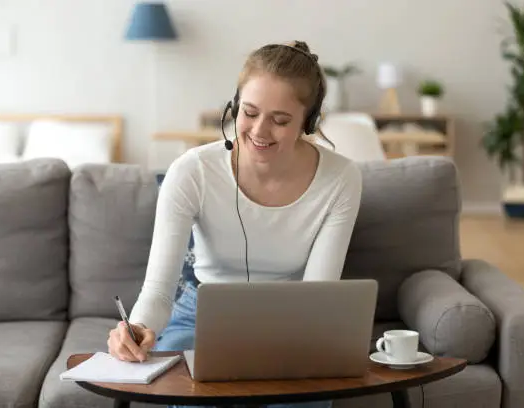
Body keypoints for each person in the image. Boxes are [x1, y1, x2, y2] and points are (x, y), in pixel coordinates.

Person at [107, 40, 363, 408]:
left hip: (293, 321)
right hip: (201, 315)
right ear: (233, 107)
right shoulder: (191, 171)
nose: (259, 131)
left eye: (280, 120)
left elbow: (317, 297)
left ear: (309, 121)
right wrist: (139, 328)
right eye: (250, 112)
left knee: (301, 398)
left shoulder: (341, 178)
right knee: (188, 394)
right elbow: (159, 291)